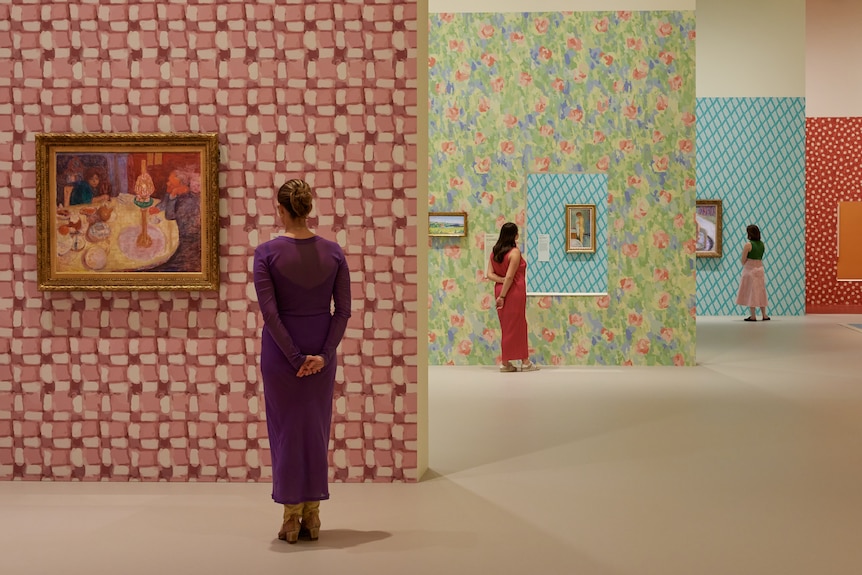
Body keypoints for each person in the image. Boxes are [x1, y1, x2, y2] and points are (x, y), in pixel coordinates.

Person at [252, 179, 351, 543]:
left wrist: (294, 357)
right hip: (321, 351)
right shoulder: (334, 252)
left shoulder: (266, 253)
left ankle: (291, 518)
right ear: (308, 208)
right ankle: (313, 514)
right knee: (315, 431)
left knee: (286, 432)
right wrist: (323, 356)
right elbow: (343, 311)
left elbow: (270, 314)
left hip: (282, 355)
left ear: (280, 210)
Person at [485, 222, 539, 372]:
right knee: (518, 325)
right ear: (514, 235)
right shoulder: (515, 253)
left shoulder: (494, 252)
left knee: (507, 327)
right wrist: (503, 295)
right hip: (513, 292)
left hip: (500, 289)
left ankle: (507, 361)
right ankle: (524, 362)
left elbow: (490, 274)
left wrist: (500, 284)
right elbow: (510, 277)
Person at [736, 224, 770, 321]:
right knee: (761, 291)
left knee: (752, 292)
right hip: (760, 268)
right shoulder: (762, 244)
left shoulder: (748, 245)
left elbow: (743, 260)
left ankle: (753, 315)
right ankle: (764, 315)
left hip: (750, 269)